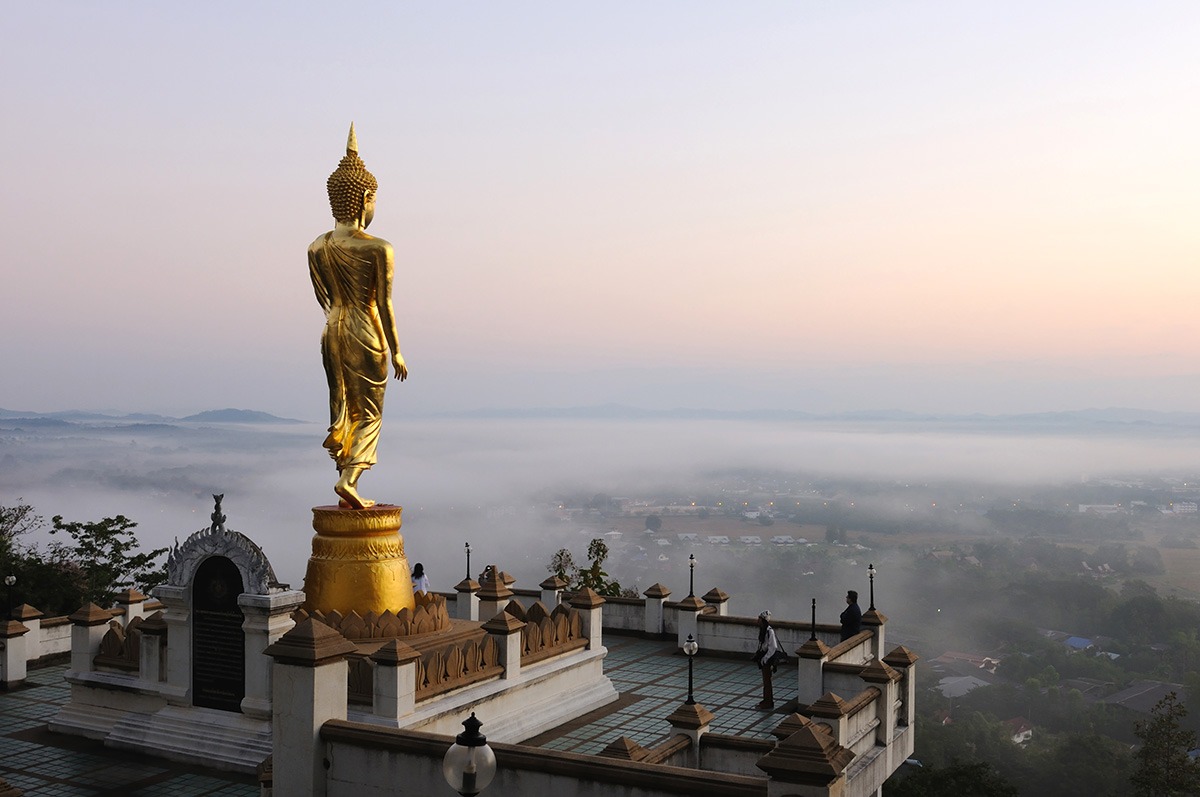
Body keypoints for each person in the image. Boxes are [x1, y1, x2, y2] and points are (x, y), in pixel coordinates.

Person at [309, 123, 408, 510]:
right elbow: (383, 304)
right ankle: (349, 479)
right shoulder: (378, 248)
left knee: (342, 402)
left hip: (331, 329)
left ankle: (342, 472)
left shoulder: (317, 247)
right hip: (364, 330)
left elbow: (323, 296)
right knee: (368, 410)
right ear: (366, 196)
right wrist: (397, 350)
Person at [754, 610, 783, 709]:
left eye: (760, 619)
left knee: (767, 681)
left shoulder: (769, 631)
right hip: (764, 657)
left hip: (768, 659)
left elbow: (773, 647)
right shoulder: (764, 630)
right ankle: (766, 700)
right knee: (765, 681)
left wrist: (765, 658)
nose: (758, 620)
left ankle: (768, 702)